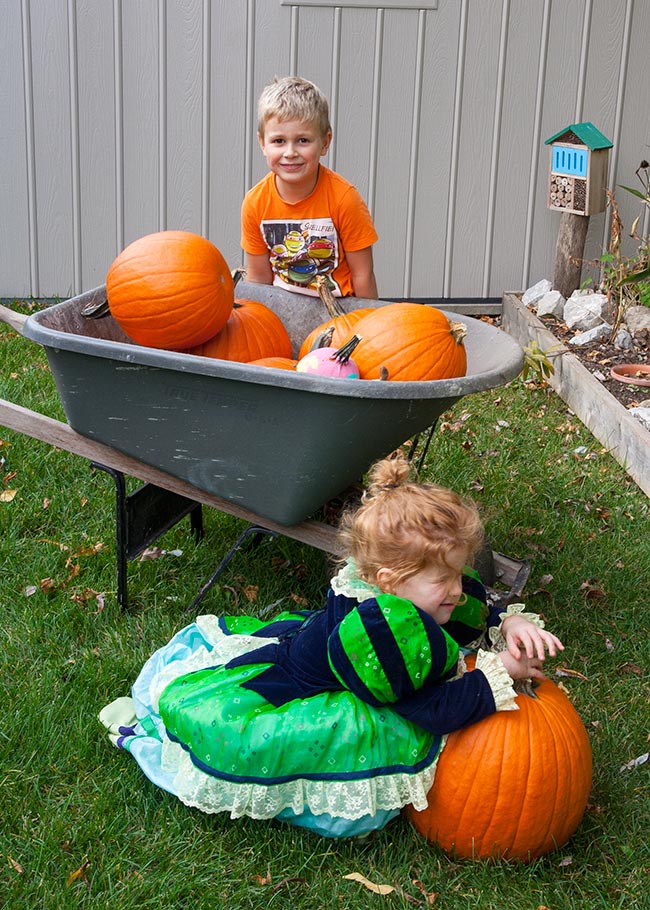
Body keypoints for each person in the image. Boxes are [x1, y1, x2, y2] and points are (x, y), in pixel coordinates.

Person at [100, 454, 563, 838]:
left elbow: (463, 615)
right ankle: (143, 736)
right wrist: (497, 669)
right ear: (389, 581)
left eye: (459, 574)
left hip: (338, 656)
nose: (458, 589)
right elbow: (432, 710)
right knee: (261, 744)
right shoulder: (377, 633)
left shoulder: (423, 592)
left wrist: (509, 619)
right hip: (302, 689)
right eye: (445, 579)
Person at [241, 75, 379, 299]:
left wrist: (368, 328)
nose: (290, 152)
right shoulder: (255, 203)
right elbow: (258, 279)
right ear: (262, 143)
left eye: (303, 140)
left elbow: (363, 274)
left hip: (339, 308)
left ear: (325, 142)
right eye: (279, 141)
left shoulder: (344, 199)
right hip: (283, 307)